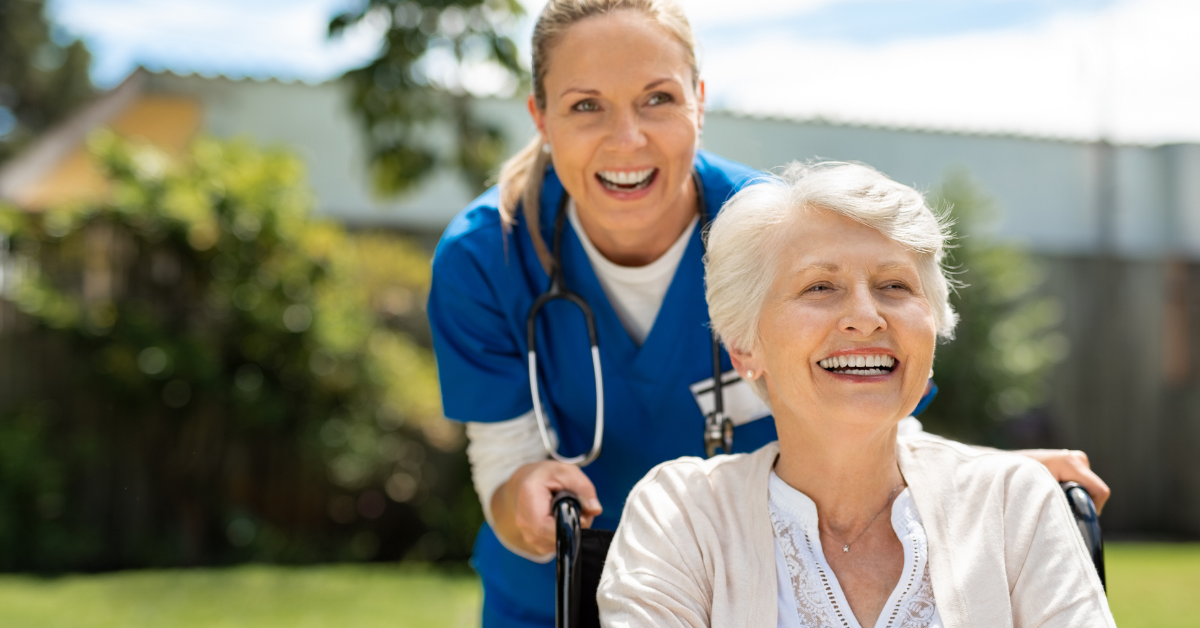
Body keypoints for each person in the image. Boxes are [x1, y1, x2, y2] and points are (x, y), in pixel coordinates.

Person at [426, 1, 1109, 626]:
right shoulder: (485, 257)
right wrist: (523, 496)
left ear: (698, 101)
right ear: (540, 118)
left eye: (657, 98)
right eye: (586, 107)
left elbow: (868, 386)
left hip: (761, 578)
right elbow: (504, 453)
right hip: (553, 591)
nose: (627, 138)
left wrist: (989, 488)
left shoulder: (781, 235)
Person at [597, 162, 1115, 627]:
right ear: (744, 349)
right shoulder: (680, 514)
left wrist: (994, 478)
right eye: (820, 287)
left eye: (895, 285)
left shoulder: (1011, 503)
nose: (867, 317)